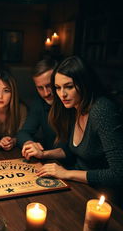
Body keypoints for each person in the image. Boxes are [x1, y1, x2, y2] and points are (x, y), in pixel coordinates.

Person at [37, 56, 123, 192]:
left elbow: (118, 174)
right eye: (58, 88)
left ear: (85, 83)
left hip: (101, 193)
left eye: (69, 87)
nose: (61, 94)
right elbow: (73, 151)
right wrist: (43, 154)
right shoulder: (75, 107)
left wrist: (66, 173)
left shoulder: (102, 110)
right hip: (77, 184)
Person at [17, 58, 72, 161]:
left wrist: (43, 154)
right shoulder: (39, 103)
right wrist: (30, 144)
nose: (46, 93)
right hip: (50, 163)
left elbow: (73, 150)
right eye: (40, 88)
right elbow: (23, 133)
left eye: (49, 86)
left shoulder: (71, 103)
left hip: (71, 167)